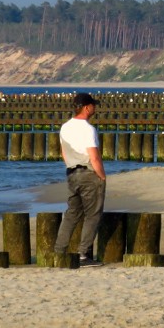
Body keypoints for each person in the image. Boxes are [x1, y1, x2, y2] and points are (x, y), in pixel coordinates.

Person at [54, 92, 107, 267]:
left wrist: (70, 166)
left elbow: (63, 152)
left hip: (71, 173)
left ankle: (59, 251)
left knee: (72, 214)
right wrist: (102, 176)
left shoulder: (65, 127)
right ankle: (83, 254)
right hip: (88, 174)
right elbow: (94, 157)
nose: (95, 107)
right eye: (93, 105)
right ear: (86, 107)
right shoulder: (88, 129)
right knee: (93, 214)